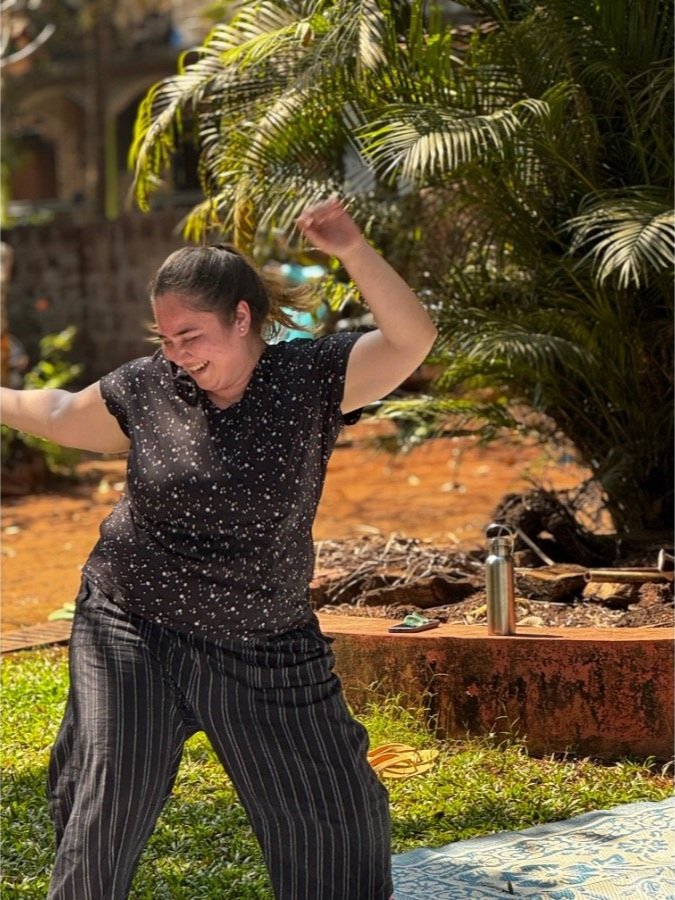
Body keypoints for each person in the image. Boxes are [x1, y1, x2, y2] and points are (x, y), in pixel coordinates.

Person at [1, 197, 437, 900]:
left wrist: (351, 247)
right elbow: (57, 412)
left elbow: (411, 341)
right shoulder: (150, 388)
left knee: (335, 816)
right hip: (132, 618)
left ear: (242, 317)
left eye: (191, 334)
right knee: (105, 795)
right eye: (166, 336)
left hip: (261, 635)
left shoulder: (311, 379)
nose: (177, 352)